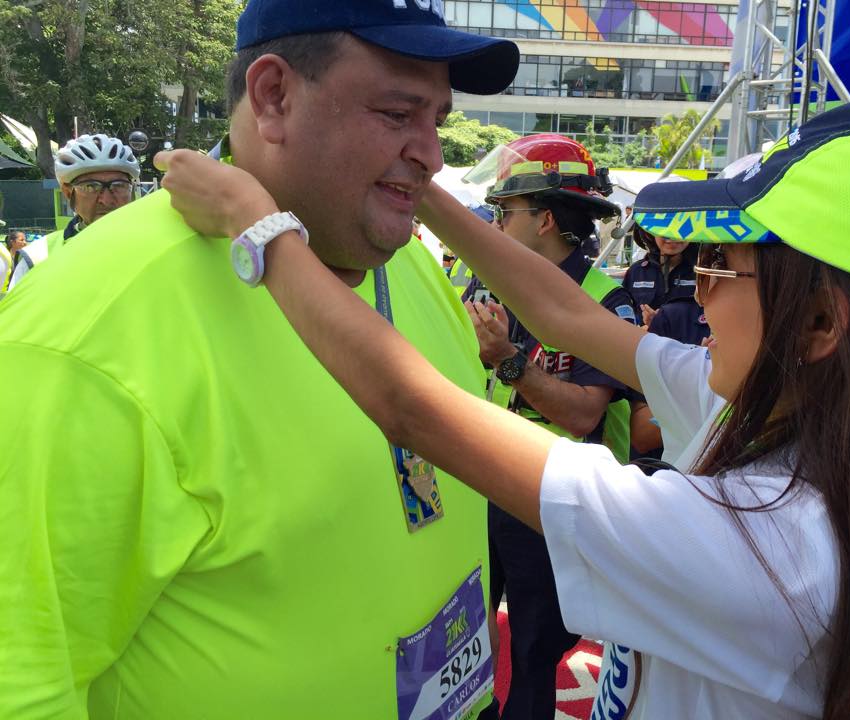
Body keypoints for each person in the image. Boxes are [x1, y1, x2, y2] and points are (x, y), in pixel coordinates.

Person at [158, 94, 850, 720]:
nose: (699, 294)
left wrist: (257, 227)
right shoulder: (796, 423)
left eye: (724, 267)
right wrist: (417, 187)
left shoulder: (779, 551)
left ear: (820, 323)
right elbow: (569, 316)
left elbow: (414, 407)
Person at [0, 1, 519, 718]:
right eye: (399, 114)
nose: (432, 154)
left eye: (437, 118)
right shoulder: (87, 334)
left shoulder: (405, 263)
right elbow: (22, 676)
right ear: (273, 96)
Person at [461, 134, 637, 720]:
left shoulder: (605, 301)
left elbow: (586, 412)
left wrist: (510, 363)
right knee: (465, 636)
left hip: (550, 499)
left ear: (546, 220)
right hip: (481, 482)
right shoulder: (493, 285)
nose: (495, 224)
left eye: (505, 212)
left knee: (535, 652)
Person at [7, 134, 140, 291]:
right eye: (91, 187)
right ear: (68, 192)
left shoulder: (156, 244)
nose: (106, 199)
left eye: (119, 186)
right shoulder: (38, 256)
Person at [1, 230, 26, 294]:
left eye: (25, 240)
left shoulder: (23, 258)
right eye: (21, 240)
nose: (25, 243)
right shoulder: (3, 258)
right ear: (12, 242)